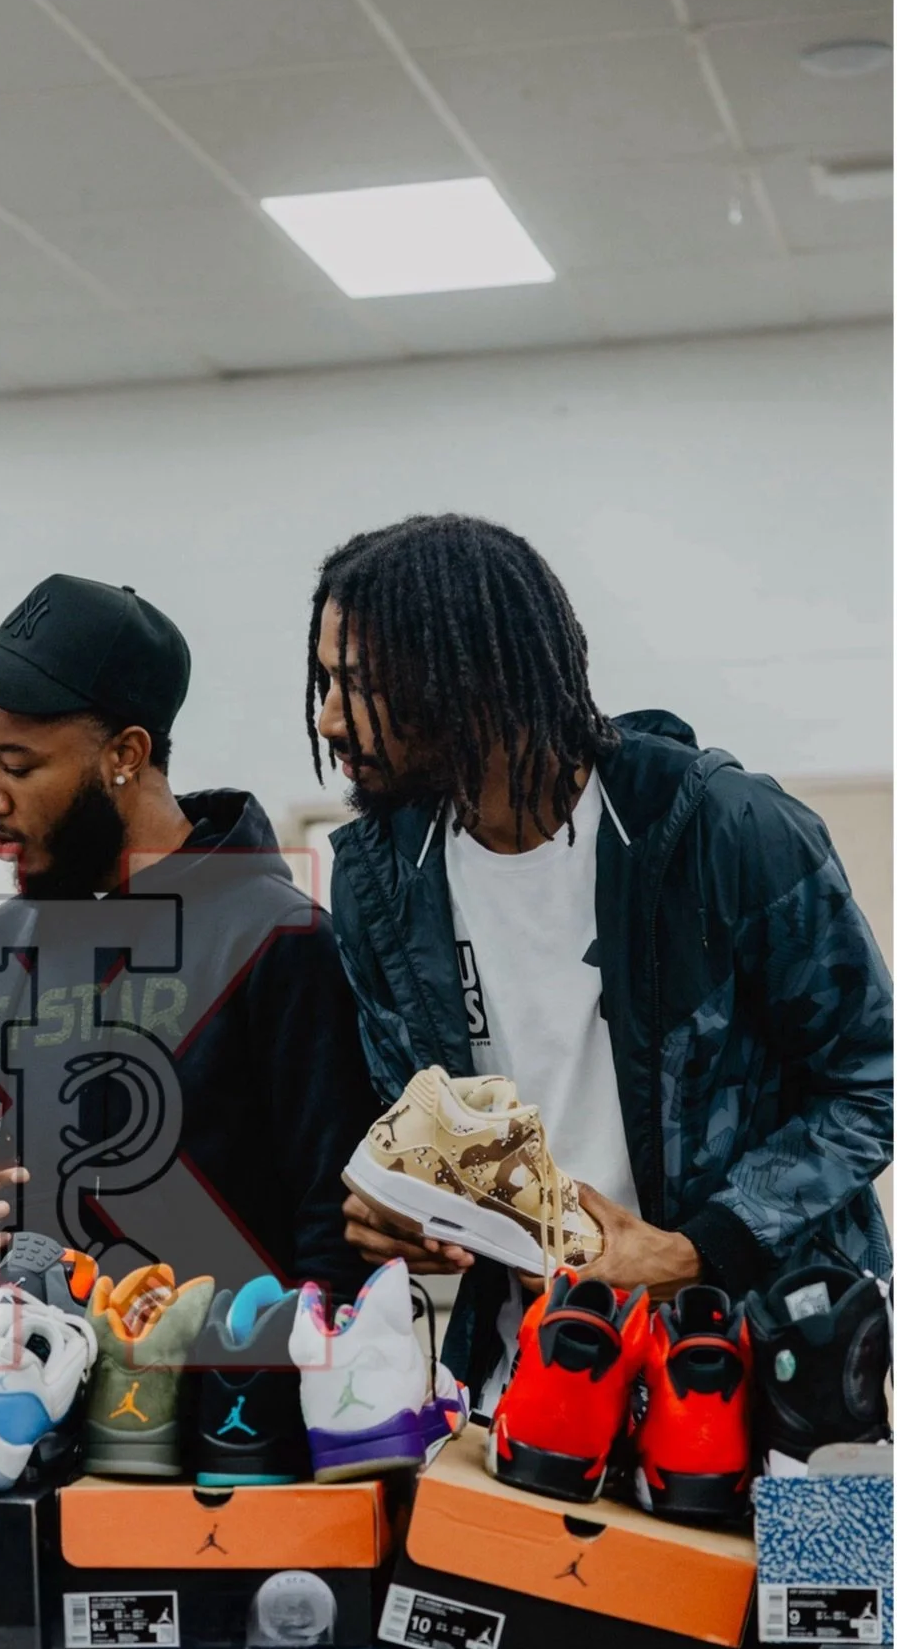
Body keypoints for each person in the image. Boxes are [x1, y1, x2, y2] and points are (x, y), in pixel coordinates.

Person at [309, 511, 893, 1401]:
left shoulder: (722, 830)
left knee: (821, 1551)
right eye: (323, 681)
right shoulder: (381, 879)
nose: (327, 718)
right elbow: (425, 1122)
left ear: (470, 680)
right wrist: (405, 1209)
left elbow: (871, 1078)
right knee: (526, 1546)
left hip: (780, 1366)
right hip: (537, 1375)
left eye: (357, 686)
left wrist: (701, 1247)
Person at [0, 571, 372, 1305]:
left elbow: (337, 1243)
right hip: (23, 1402)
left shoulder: (280, 943)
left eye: (17, 765)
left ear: (125, 754)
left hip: (227, 1409)